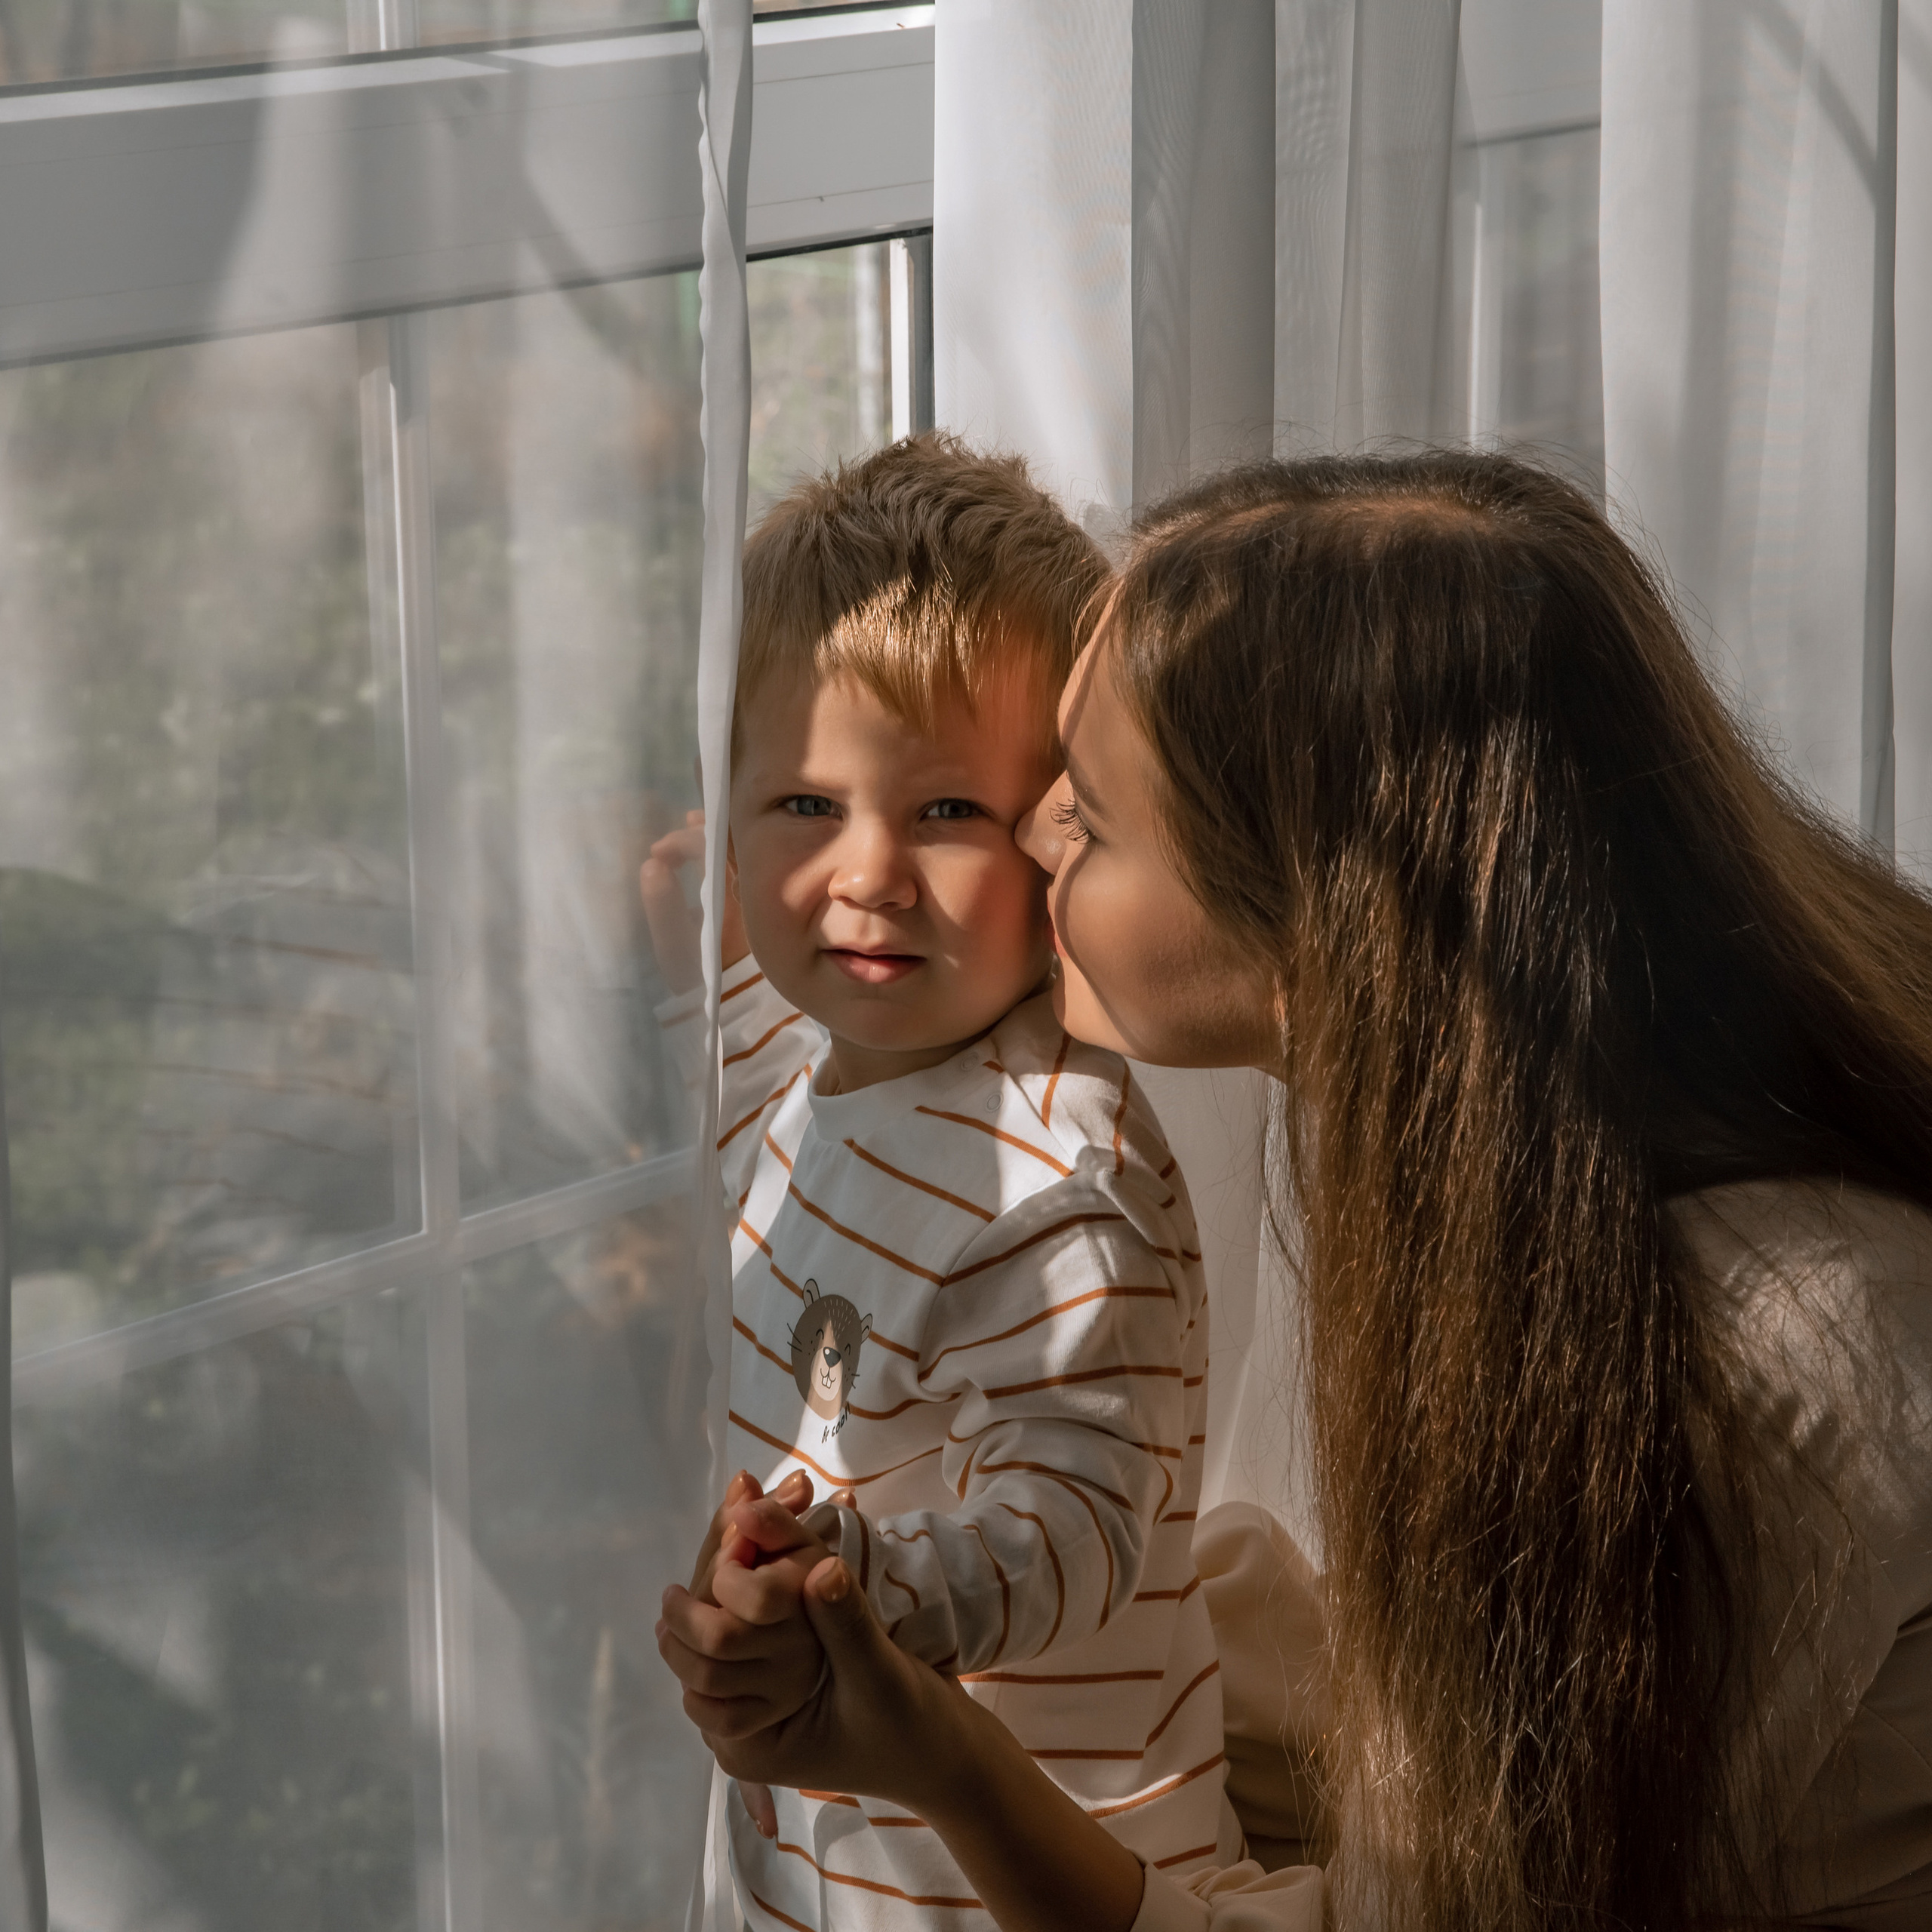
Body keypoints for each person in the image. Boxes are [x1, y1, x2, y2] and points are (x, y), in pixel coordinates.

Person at [657, 450, 1932, 1932]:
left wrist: (938, 1752)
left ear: (1318, 919)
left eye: (1092, 812)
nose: (1033, 830)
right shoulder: (1539, 1164)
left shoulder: (1744, 1373)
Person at [642, 434, 1244, 1932]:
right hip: (828, 1846)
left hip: (1033, 1862)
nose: (866, 877)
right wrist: (673, 959)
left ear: (1060, 832)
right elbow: (717, 1077)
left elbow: (1082, 1526)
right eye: (803, 806)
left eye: (944, 813)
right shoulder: (808, 1032)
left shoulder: (1055, 1178)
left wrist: (857, 1588)